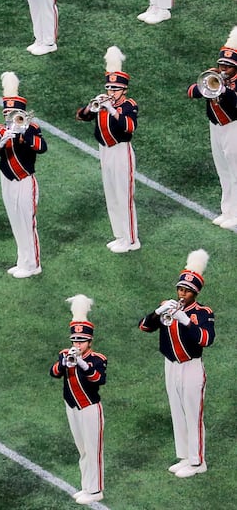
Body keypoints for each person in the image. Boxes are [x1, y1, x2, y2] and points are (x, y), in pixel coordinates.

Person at [138, 250, 215, 478]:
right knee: (177, 411)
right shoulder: (168, 306)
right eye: (180, 289)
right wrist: (156, 313)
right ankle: (184, 456)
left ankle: (198, 461)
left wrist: (186, 322)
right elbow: (144, 327)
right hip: (170, 365)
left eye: (187, 291)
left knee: (193, 413)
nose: (182, 294)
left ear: (195, 293)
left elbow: (206, 339)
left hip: (191, 366)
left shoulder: (202, 313)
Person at [0, 72, 45, 277]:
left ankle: (33, 264)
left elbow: (41, 147)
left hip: (25, 180)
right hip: (7, 180)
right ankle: (23, 261)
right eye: (7, 113)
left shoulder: (32, 128)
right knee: (15, 221)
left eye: (13, 113)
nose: (9, 117)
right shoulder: (0, 129)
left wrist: (24, 134)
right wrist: (2, 141)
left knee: (27, 222)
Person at [51, 295, 105, 504]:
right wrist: (66, 362)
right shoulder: (65, 354)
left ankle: (96, 489)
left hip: (90, 408)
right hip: (72, 407)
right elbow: (54, 372)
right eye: (75, 340)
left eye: (81, 340)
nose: (77, 344)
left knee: (93, 449)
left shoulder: (97, 359)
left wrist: (82, 364)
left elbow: (99, 379)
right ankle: (86, 487)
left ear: (90, 341)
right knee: (82, 448)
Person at [191, 28, 237, 228]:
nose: (224, 69)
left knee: (235, 171)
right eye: (222, 64)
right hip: (216, 127)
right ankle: (227, 211)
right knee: (223, 171)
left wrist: (224, 89)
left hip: (233, 128)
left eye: (228, 66)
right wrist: (210, 81)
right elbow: (192, 92)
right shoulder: (213, 75)